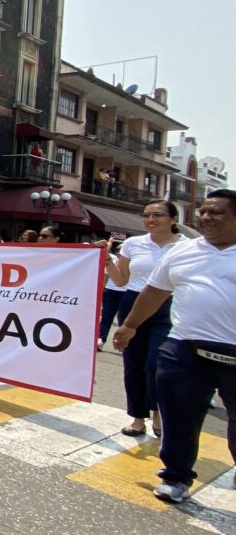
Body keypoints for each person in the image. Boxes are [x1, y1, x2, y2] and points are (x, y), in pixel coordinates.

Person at [111, 190, 236, 504]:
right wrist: (129, 325)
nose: (206, 218)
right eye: (203, 211)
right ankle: (176, 477)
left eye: (216, 213)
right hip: (184, 347)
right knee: (179, 415)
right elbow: (153, 292)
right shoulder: (182, 252)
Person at [99, 201, 183, 439]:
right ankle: (137, 417)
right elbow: (121, 280)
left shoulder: (188, 247)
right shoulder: (133, 244)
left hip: (170, 305)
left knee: (156, 363)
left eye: (158, 215)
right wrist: (106, 260)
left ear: (173, 219)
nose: (150, 220)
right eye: (146, 215)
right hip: (133, 303)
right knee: (133, 362)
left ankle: (157, 411)